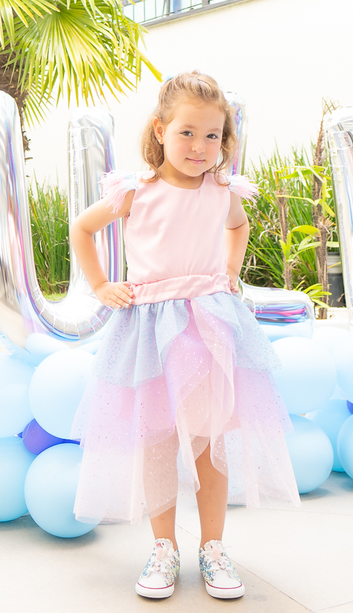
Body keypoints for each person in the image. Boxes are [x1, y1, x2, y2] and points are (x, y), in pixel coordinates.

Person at [69, 71, 299, 600]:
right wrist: (101, 284)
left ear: (225, 140)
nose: (199, 146)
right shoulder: (137, 191)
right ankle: (164, 547)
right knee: (158, 441)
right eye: (187, 133)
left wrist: (230, 271)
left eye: (212, 135)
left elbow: (237, 226)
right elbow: (82, 227)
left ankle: (213, 547)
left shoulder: (222, 191)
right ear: (160, 130)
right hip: (151, 331)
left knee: (209, 443)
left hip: (209, 327)